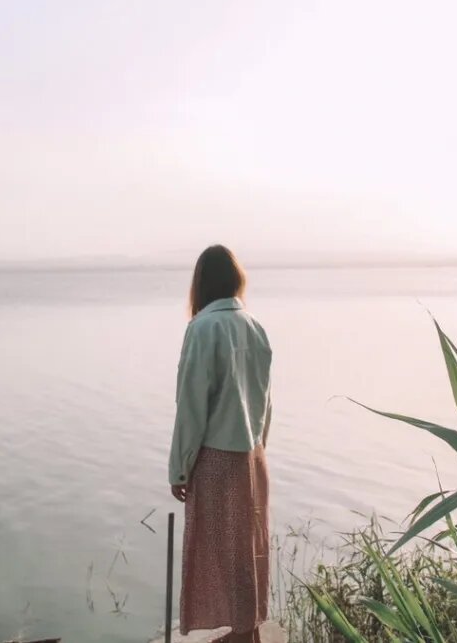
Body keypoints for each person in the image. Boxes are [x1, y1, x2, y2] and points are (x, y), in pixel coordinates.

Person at [168, 244, 273, 643]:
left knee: (220, 549)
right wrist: (260, 447)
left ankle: (243, 635)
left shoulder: (203, 328)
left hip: (216, 457)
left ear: (201, 284)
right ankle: (247, 630)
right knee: (247, 546)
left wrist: (180, 466)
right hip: (253, 455)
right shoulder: (254, 325)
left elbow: (192, 405)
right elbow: (265, 401)